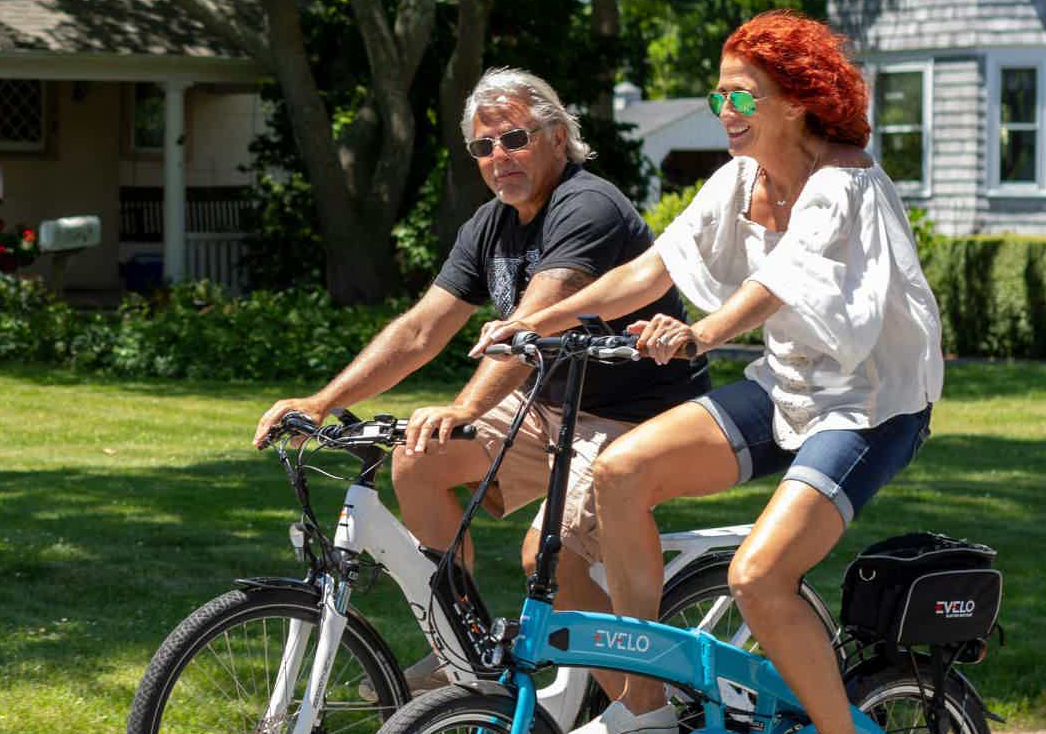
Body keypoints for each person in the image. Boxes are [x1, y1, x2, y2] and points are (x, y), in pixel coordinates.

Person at [471, 11, 944, 734]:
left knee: (760, 576)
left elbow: (775, 284)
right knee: (620, 471)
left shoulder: (843, 183)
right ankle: (648, 704)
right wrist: (529, 323)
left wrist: (700, 335)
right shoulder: (738, 181)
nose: (724, 108)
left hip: (872, 403)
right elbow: (646, 273)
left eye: (742, 94)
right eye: (717, 92)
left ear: (798, 102)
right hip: (790, 386)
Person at [254, 68, 708, 701]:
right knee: (420, 457)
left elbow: (529, 328)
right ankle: (459, 643)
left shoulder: (588, 206)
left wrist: (466, 406)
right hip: (551, 405)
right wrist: (324, 402)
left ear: (556, 136)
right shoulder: (491, 224)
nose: (499, 157)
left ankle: (644, 723)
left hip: (632, 418)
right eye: (483, 146)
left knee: (548, 559)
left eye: (515, 138)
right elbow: (421, 331)